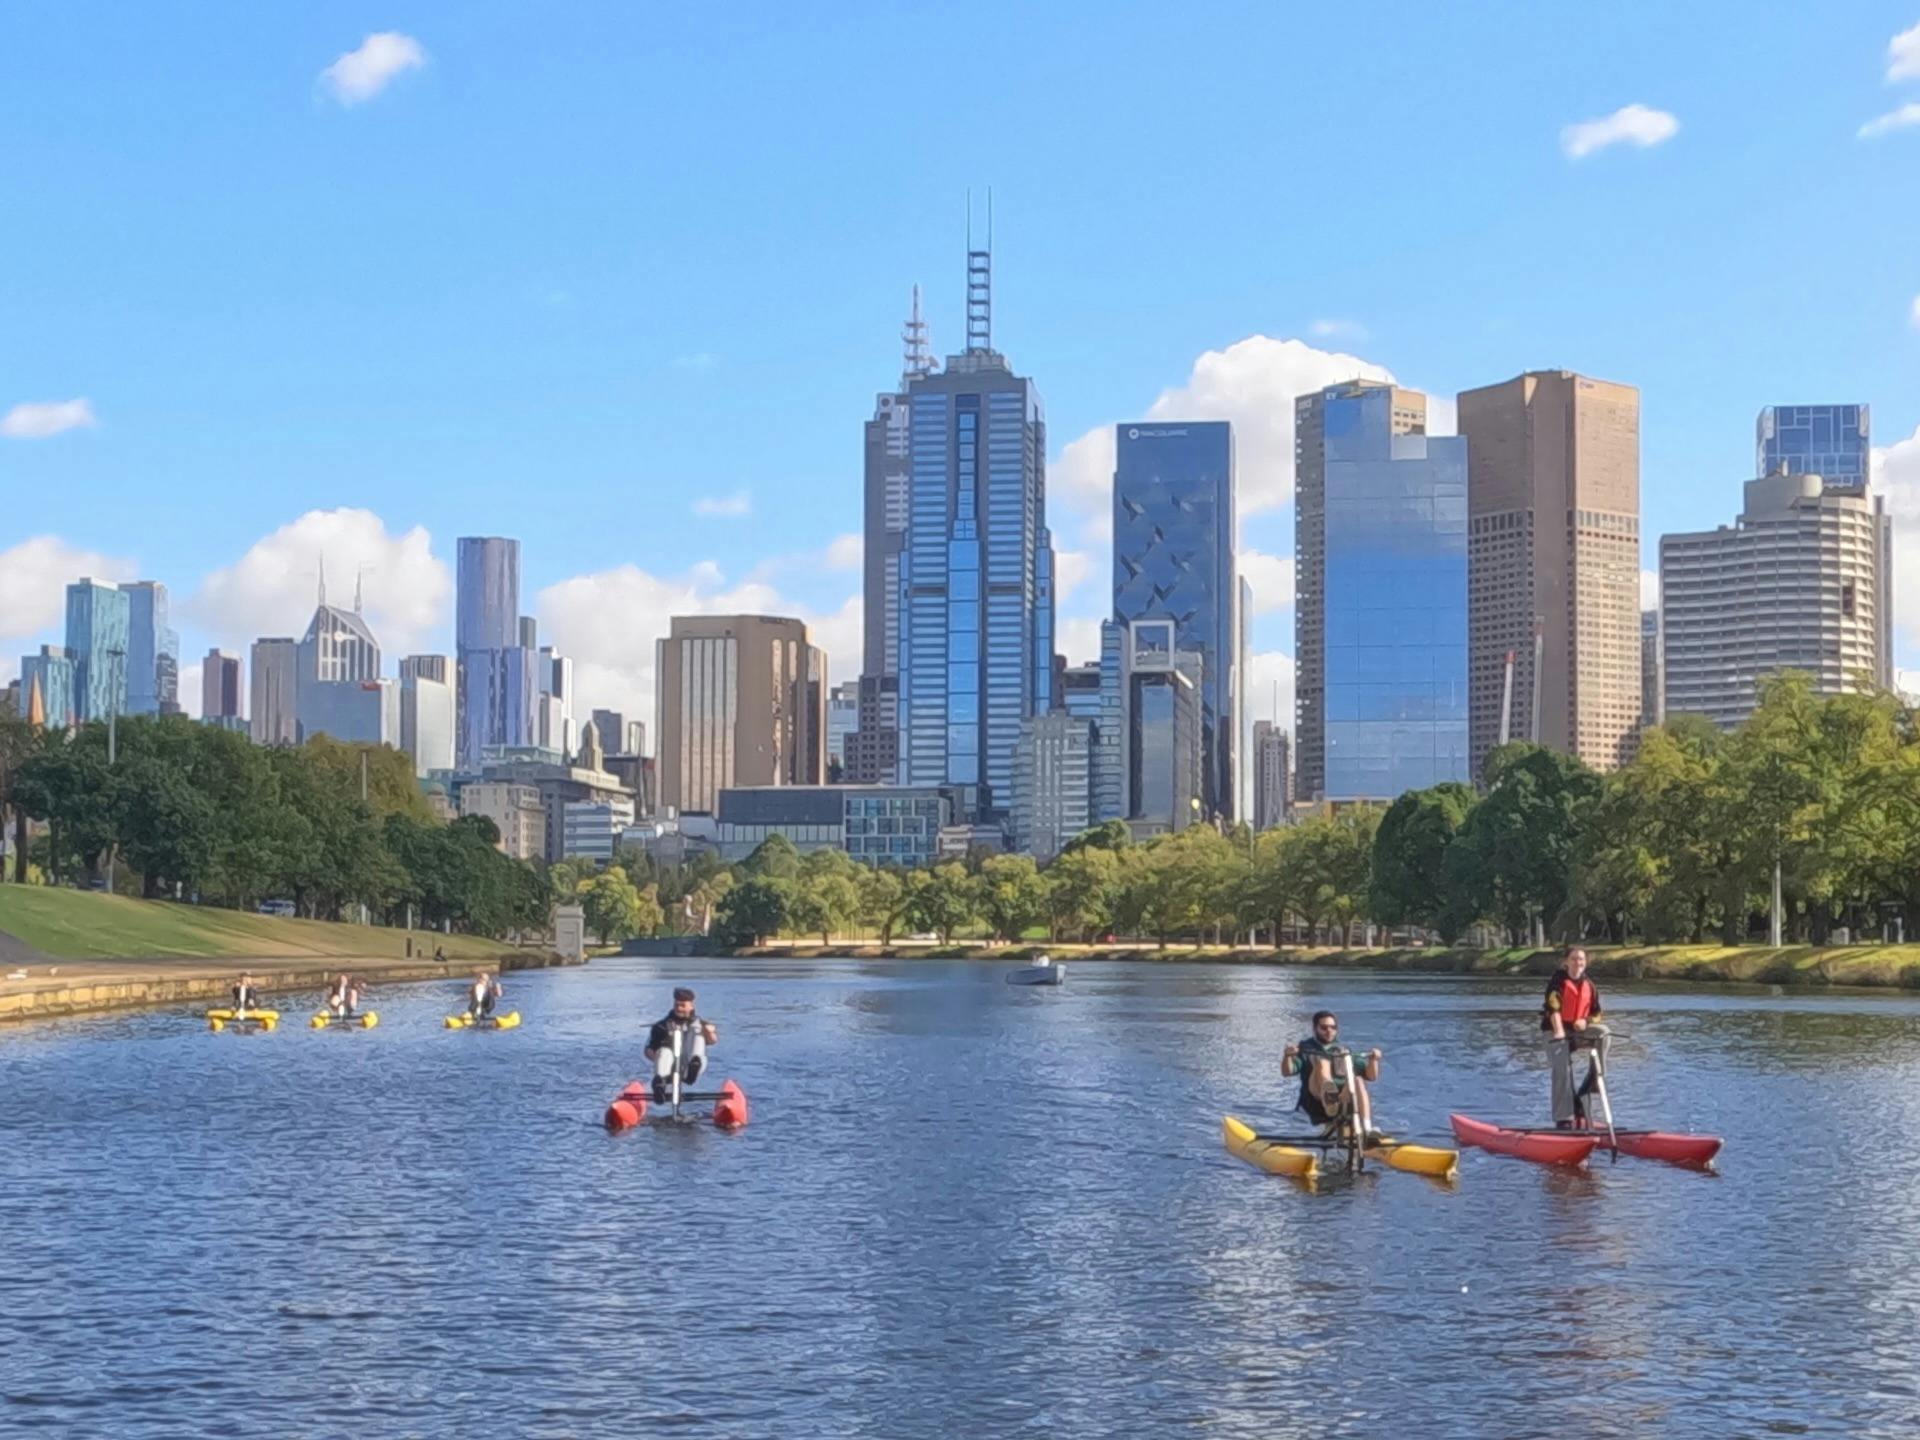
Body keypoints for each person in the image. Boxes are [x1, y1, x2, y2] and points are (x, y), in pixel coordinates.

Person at [1282, 1010, 1384, 1142]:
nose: (1329, 1031)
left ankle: (1367, 1128)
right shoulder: (1304, 1048)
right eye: (1324, 1028)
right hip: (1316, 1099)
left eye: (1333, 1027)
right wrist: (1288, 1056)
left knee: (1358, 1080)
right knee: (1322, 1062)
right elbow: (1287, 1072)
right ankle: (1329, 1100)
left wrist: (1374, 1060)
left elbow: (1371, 1077)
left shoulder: (1343, 1050)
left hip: (1342, 1098)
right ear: (1315, 1029)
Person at [1542, 946, 1610, 1128]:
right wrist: (1559, 1031)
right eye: (1573, 959)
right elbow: (1553, 1008)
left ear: (1585, 963)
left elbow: (1597, 1014)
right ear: (1566, 962)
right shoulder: (1557, 981)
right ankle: (1564, 1118)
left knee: (1603, 1032)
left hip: (1578, 1031)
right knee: (1563, 1070)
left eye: (1581, 959)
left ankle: (1592, 1082)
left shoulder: (1590, 985)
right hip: (1555, 1032)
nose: (1577, 963)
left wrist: (1586, 1022)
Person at [644, 987, 719, 1103]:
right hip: (668, 1067)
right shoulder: (661, 1026)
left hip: (690, 1066)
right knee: (664, 1051)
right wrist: (657, 1057)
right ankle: (659, 1085)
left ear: (691, 1006)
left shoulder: (701, 1024)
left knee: (696, 1031)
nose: (679, 1008)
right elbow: (648, 1049)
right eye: (677, 1005)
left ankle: (693, 1066)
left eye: (683, 1005)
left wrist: (709, 1032)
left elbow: (712, 1041)